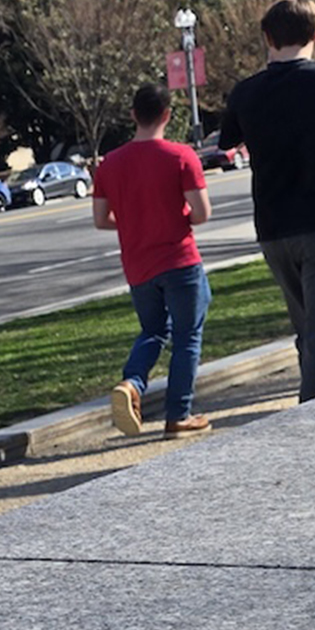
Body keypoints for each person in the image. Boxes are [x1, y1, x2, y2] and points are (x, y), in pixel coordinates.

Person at [219, 0, 315, 403]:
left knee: (308, 331)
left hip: (274, 228)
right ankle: (311, 432)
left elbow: (226, 145)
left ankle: (310, 417)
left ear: (267, 36)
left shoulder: (245, 93)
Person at [93, 82, 214, 439]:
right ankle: (179, 414)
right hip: (179, 260)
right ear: (167, 115)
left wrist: (132, 223)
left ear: (133, 115)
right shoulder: (181, 156)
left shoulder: (109, 165)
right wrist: (177, 219)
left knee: (153, 331)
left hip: (138, 265)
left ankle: (132, 383)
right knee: (187, 336)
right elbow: (202, 212)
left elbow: (101, 219)